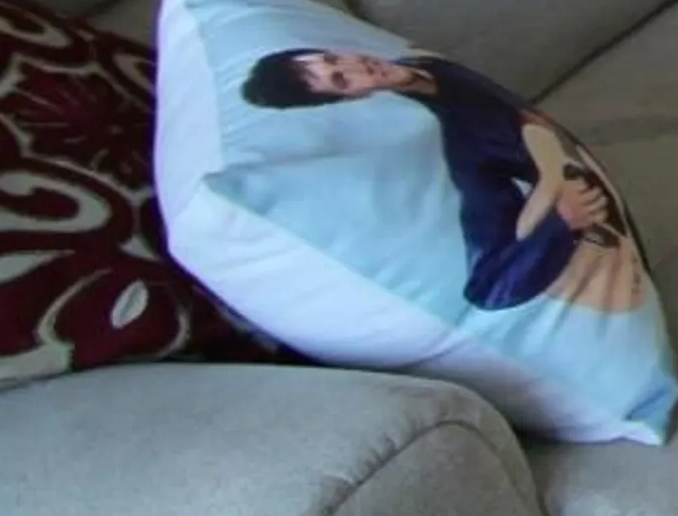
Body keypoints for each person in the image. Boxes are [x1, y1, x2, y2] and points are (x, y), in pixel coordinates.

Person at [241, 46, 651, 316]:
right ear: (351, 100)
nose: (353, 66)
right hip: (596, 242)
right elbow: (489, 288)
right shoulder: (457, 146)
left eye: (333, 58)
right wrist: (561, 223)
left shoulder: (424, 64)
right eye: (342, 81)